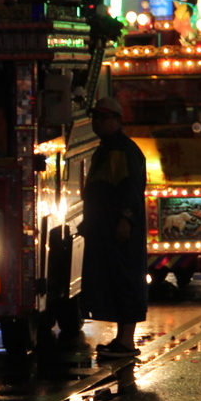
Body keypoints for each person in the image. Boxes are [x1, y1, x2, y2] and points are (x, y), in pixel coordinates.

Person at [81, 96, 148, 357]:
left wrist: (125, 219)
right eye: (95, 117)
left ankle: (127, 341)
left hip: (118, 229)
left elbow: (130, 189)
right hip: (106, 227)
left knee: (125, 279)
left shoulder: (122, 150)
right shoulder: (108, 148)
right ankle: (121, 340)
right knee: (114, 279)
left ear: (118, 121)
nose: (97, 122)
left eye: (103, 118)